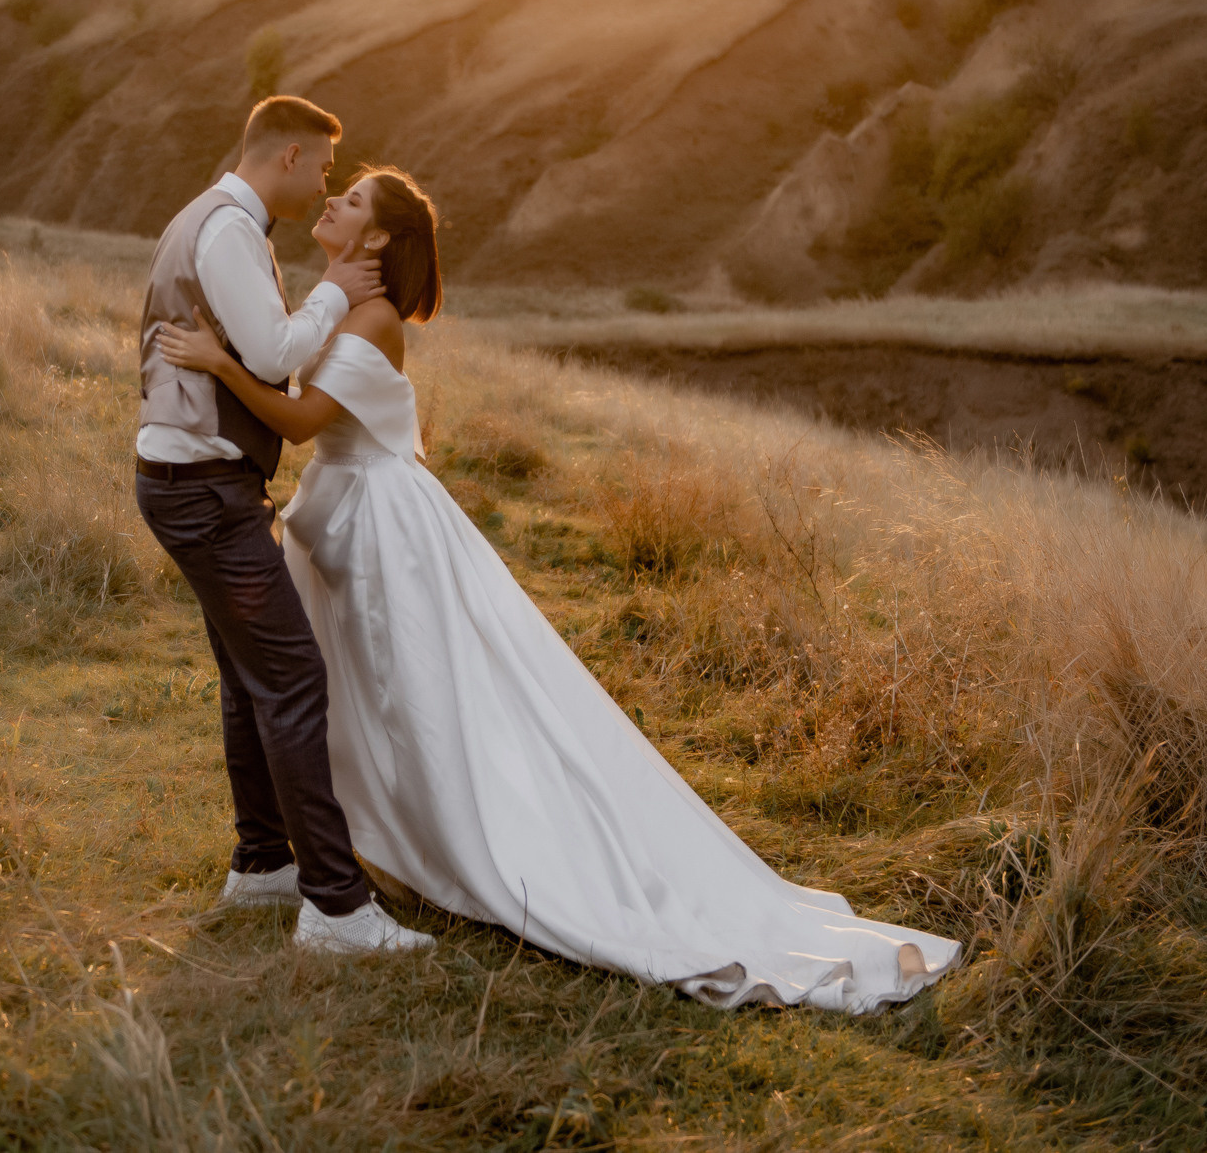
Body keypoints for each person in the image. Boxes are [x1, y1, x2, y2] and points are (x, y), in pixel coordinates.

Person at [157, 165, 961, 1011]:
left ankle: (469, 849)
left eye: (351, 199)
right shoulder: (342, 303)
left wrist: (216, 359)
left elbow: (297, 419)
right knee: (360, 692)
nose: (333, 201)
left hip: (386, 528)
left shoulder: (376, 317)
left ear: (381, 237)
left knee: (430, 697)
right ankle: (327, 854)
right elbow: (295, 361)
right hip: (345, 511)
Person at [134, 95, 435, 956]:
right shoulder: (230, 229)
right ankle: (336, 906)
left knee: (250, 674)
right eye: (328, 173)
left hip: (202, 481)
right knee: (294, 679)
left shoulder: (227, 224)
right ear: (293, 156)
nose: (329, 188)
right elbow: (275, 359)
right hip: (203, 486)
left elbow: (275, 376)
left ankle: (264, 862)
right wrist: (334, 293)